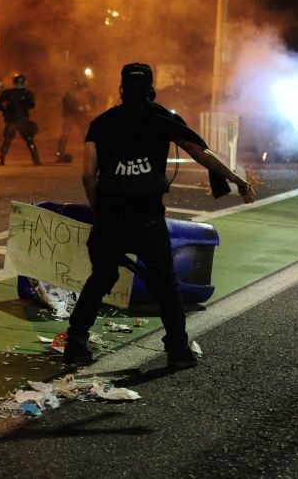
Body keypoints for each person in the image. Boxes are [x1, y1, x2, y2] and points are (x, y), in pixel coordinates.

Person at [63, 62, 256, 369]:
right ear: (151, 89)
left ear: (121, 88)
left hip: (111, 216)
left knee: (101, 278)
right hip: (147, 218)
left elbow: (88, 175)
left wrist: (100, 212)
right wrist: (237, 179)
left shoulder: (101, 123)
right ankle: (178, 350)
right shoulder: (162, 118)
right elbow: (201, 153)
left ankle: (75, 344)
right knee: (165, 284)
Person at [0, 74, 41, 166]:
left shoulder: (8, 93)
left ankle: (1, 159)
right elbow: (32, 105)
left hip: (14, 119)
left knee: (8, 139)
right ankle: (36, 160)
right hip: (20, 119)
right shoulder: (27, 93)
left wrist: (6, 109)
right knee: (28, 139)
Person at [56, 78, 96, 162]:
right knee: (65, 134)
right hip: (70, 116)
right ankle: (60, 153)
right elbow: (67, 104)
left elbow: (93, 103)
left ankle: (90, 153)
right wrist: (78, 107)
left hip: (81, 117)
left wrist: (89, 107)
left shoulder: (88, 94)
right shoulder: (69, 94)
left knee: (86, 134)